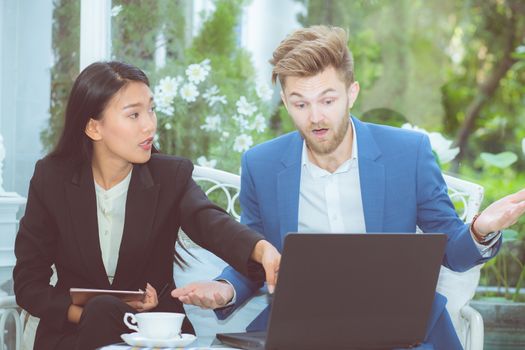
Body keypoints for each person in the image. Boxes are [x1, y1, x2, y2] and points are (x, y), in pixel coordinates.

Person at [172, 25, 525, 349]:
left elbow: (451, 250)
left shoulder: (408, 153)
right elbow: (254, 254)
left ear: (351, 93)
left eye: (328, 100)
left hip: (401, 327)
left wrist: (480, 230)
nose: (315, 118)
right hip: (301, 329)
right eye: (300, 103)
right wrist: (224, 289)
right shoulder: (261, 165)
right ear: (285, 102)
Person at [13, 61, 280, 350]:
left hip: (154, 333)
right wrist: (84, 313)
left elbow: (210, 222)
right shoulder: (52, 179)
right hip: (74, 334)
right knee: (102, 311)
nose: (150, 124)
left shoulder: (170, 177)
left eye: (151, 109)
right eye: (134, 114)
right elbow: (29, 284)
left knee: (104, 312)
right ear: (93, 127)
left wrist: (261, 249)